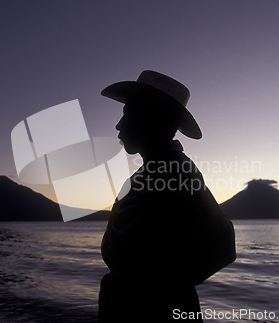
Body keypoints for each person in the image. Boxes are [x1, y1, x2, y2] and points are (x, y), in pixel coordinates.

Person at [98, 70, 236, 322]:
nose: (119, 125)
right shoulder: (152, 174)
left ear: (150, 118)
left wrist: (157, 291)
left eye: (127, 114)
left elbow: (223, 246)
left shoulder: (177, 173)